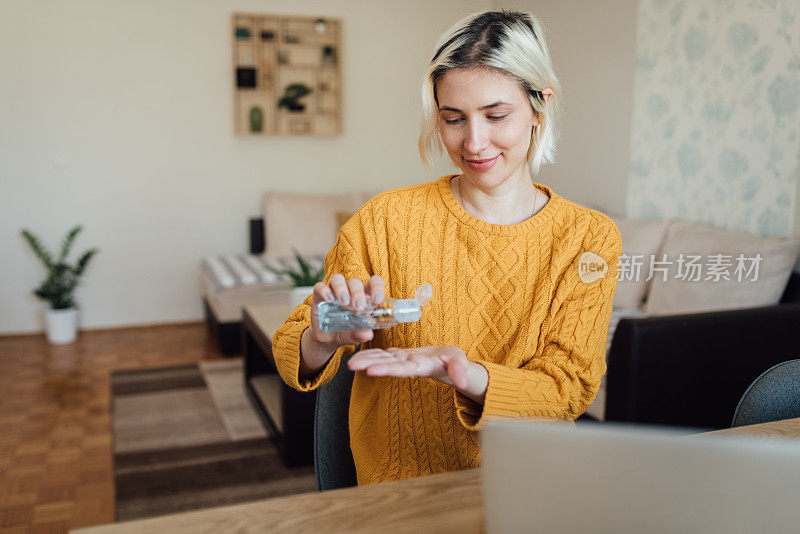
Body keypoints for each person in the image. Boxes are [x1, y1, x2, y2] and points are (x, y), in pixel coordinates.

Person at [272, 9, 622, 485]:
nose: (474, 142)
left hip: (523, 488)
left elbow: (567, 389)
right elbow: (294, 350)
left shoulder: (589, 239)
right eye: (453, 119)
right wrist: (322, 336)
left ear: (540, 105)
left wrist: (463, 373)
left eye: (496, 115)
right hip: (395, 492)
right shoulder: (385, 220)